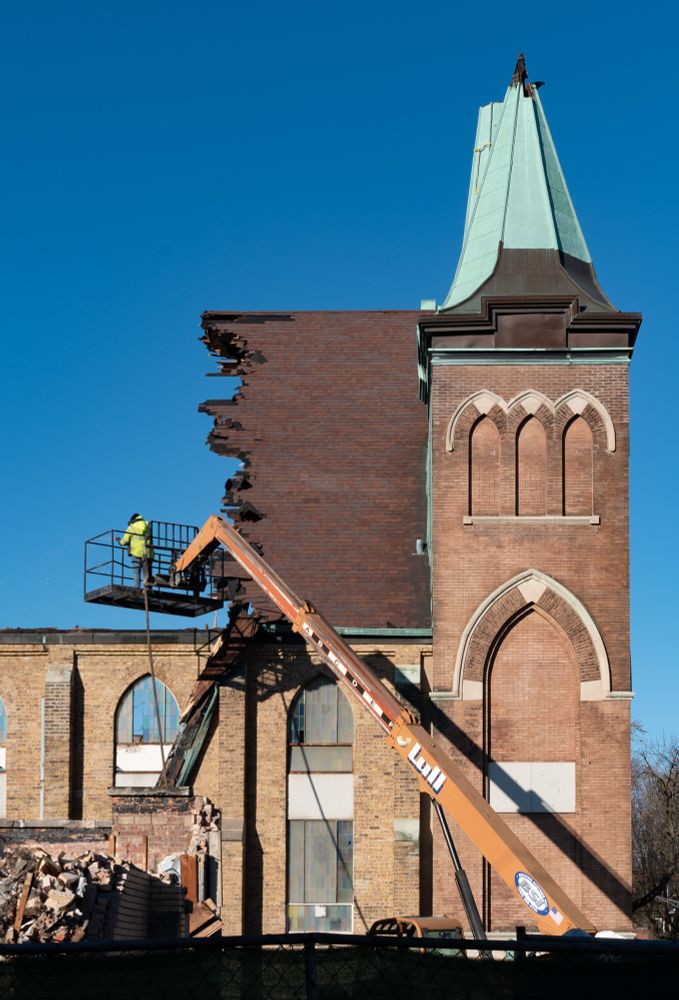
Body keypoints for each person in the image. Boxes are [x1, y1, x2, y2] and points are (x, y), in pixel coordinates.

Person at [118, 513, 154, 589]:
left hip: (136, 553)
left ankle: (136, 589)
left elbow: (124, 541)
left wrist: (119, 540)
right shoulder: (148, 526)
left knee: (136, 572)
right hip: (148, 553)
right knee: (147, 573)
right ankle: (148, 589)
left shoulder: (131, 527)